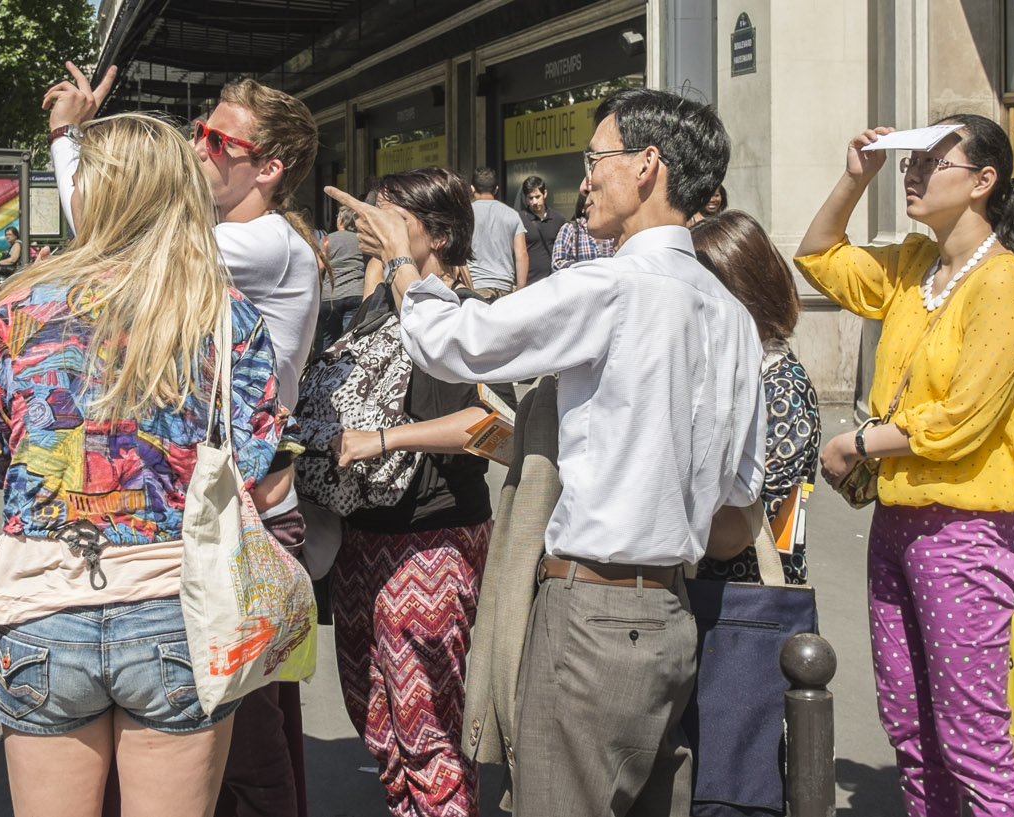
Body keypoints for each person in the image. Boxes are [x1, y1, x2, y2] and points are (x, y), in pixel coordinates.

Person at [330, 86, 763, 815]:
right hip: (673, 615)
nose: (583, 178)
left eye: (595, 160)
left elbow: (451, 344)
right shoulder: (729, 312)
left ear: (647, 165)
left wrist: (406, 263)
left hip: (592, 613)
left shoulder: (611, 285)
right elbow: (739, 499)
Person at [0, 113, 281, 817]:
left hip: (43, 607)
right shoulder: (227, 315)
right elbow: (249, 460)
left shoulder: (21, 308)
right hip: (177, 607)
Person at [45, 62, 324, 817]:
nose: (200, 148)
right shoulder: (230, 238)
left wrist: (71, 138)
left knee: (245, 747)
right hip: (214, 508)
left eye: (217, 140)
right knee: (220, 738)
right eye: (200, 132)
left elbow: (106, 231)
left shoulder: (261, 242)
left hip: (239, 516)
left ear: (270, 168)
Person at [795, 114, 1014, 817]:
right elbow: (817, 254)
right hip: (899, 521)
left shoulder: (1003, 280)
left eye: (933, 161)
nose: (913, 172)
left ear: (982, 182)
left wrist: (861, 443)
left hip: (966, 527)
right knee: (909, 726)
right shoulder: (914, 263)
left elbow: (967, 416)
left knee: (971, 736)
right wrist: (855, 179)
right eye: (911, 162)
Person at [319, 166, 494, 817]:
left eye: (390, 216)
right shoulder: (382, 304)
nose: (371, 222)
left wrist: (383, 440)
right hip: (364, 539)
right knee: (377, 728)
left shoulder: (463, 315)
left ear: (439, 232)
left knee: (427, 732)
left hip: (431, 542)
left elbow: (487, 424)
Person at [691, 209, 820, 585]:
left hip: (747, 605)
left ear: (740, 294)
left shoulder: (784, 390)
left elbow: (734, 537)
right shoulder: (725, 367)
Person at [464, 166, 527, 300]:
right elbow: (521, 254)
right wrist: (520, 289)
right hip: (505, 288)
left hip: (476, 285)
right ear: (496, 189)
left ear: (472, 189)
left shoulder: (465, 214)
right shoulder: (512, 215)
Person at [315, 206, 367, 353]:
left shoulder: (326, 240)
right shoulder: (362, 239)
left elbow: (319, 267)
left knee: (327, 340)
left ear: (341, 220)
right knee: (350, 339)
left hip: (331, 296)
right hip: (356, 293)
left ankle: (322, 372)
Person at [550, 190, 617, 270]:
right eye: (592, 203)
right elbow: (557, 264)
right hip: (580, 281)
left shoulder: (612, 229)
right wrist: (585, 268)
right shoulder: (570, 229)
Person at [517, 175, 563, 287]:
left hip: (553, 281)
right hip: (529, 283)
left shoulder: (558, 219)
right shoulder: (519, 219)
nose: (534, 202)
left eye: (537, 197)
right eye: (530, 198)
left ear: (545, 194)